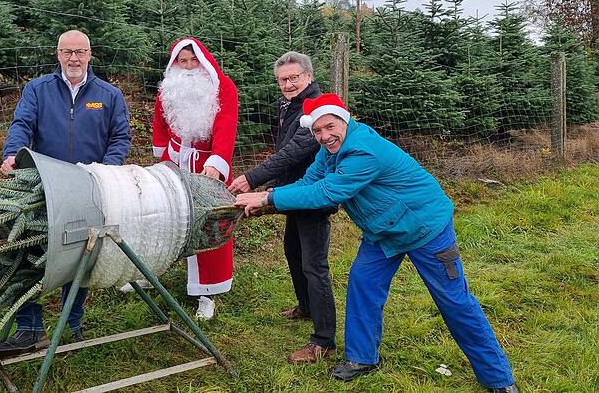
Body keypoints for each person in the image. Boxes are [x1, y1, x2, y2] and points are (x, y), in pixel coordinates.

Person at [234, 94, 518, 392]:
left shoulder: (363, 151)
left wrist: (268, 197)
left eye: (329, 127)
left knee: (454, 301)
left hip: (426, 227)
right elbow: (309, 183)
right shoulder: (329, 151)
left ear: (344, 120)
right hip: (383, 231)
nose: (324, 136)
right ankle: (362, 358)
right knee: (363, 284)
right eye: (317, 131)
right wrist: (270, 198)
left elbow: (328, 192)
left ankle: (498, 378)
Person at [0, 30, 132, 358]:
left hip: (89, 190)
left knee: (80, 255)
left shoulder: (108, 95)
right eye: (67, 52)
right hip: (44, 188)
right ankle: (30, 328)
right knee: (27, 253)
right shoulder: (38, 90)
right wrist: (14, 154)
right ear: (58, 55)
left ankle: (72, 324)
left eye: (80, 52)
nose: (74, 58)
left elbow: (120, 137)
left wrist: (105, 174)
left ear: (90, 55)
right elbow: (21, 125)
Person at [227, 51, 337, 363]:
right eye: (282, 80)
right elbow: (284, 150)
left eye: (293, 78)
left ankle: (324, 339)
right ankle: (305, 306)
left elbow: (293, 151)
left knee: (314, 265)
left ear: (309, 77)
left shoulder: (314, 107)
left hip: (312, 195)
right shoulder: (287, 104)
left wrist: (252, 179)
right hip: (293, 191)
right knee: (293, 251)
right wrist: (274, 187)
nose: (287, 84)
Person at [124, 37, 238, 321]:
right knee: (162, 218)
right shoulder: (168, 89)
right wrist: (162, 159)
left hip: (206, 166)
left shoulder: (223, 88)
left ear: (204, 60)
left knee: (208, 225)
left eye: (193, 60)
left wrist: (217, 162)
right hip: (174, 163)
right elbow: (160, 126)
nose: (187, 67)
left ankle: (207, 291)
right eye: (181, 61)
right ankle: (151, 272)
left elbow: (226, 127)